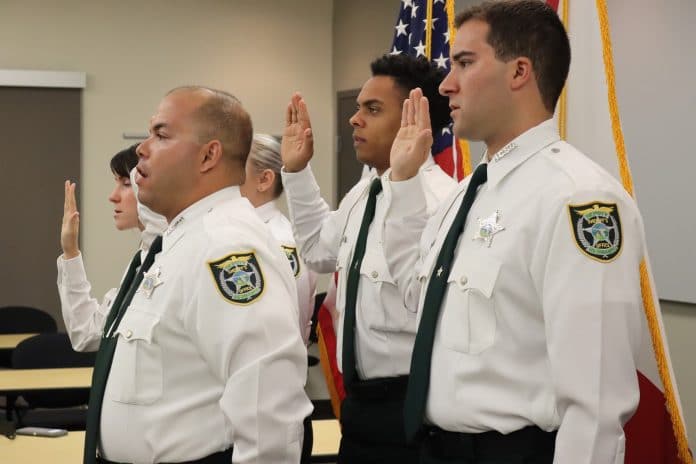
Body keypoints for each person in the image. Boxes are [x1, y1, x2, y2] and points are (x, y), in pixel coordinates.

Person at [386, 1, 645, 463]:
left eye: (465, 63)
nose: (446, 84)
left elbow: (595, 404)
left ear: (519, 72)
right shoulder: (463, 196)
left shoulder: (577, 200)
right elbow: (412, 301)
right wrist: (405, 187)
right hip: (433, 448)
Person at [80, 86, 312, 464]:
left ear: (209, 155)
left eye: (161, 134)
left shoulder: (228, 248)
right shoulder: (179, 241)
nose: (142, 148)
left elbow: (267, 413)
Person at [281, 54, 456, 463]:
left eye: (372, 109)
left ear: (416, 120)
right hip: (359, 406)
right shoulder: (364, 193)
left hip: (414, 407)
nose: (354, 120)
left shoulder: (440, 202)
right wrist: (296, 171)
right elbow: (318, 251)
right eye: (358, 107)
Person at [239, 133, 317, 463]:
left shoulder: (282, 242)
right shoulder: (239, 232)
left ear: (265, 179)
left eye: (236, 168)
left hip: (266, 407)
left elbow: (288, 324)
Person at [58, 144, 167, 352]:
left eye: (126, 184)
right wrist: (70, 251)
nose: (113, 196)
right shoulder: (141, 259)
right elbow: (87, 334)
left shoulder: (169, 255)